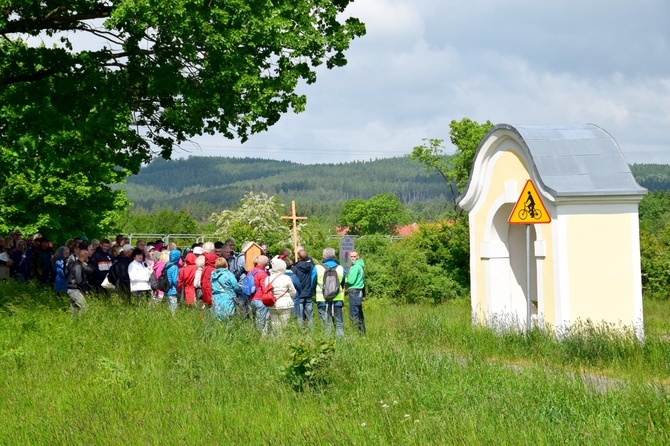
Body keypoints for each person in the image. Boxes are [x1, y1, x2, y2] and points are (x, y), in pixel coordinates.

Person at [314, 247, 346, 337]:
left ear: (323, 256)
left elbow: (312, 283)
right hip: (337, 299)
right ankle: (341, 346)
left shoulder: (317, 268)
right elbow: (343, 283)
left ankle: (327, 346)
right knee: (339, 325)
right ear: (334, 256)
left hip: (322, 299)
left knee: (326, 325)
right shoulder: (340, 268)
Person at [264, 259, 297, 334]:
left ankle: (276, 340)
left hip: (272, 303)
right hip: (285, 304)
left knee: (275, 324)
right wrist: (290, 297)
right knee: (284, 325)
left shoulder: (267, 278)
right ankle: (282, 340)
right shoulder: (286, 278)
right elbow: (293, 292)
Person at [66, 244, 93, 314]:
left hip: (71, 289)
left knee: (74, 310)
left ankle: (74, 323)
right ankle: (81, 321)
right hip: (75, 290)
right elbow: (79, 280)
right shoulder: (78, 266)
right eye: (87, 256)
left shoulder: (77, 264)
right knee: (84, 307)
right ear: (85, 256)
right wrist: (84, 290)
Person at [292, 248, 315, 328]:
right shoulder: (311, 267)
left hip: (300, 293)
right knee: (310, 315)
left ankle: (300, 331)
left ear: (298, 256)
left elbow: (293, 280)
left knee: (299, 315)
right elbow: (313, 278)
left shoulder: (295, 267)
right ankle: (311, 331)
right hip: (308, 292)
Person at [345, 250, 366, 334]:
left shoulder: (356, 267)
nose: (352, 258)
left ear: (358, 257)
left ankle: (355, 333)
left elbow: (351, 280)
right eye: (351, 256)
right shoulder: (359, 266)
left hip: (354, 291)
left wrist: (344, 279)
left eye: (354, 256)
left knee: (354, 313)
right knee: (359, 313)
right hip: (359, 291)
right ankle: (362, 332)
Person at [248, 255, 270, 334]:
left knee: (255, 320)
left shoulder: (250, 272)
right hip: (260, 300)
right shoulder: (263, 274)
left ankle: (255, 335)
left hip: (251, 299)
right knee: (261, 321)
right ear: (266, 264)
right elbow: (265, 288)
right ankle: (259, 338)